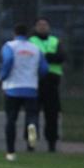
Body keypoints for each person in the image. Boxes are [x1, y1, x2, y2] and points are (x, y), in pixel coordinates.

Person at [0, 23, 48, 162]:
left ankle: (11, 152)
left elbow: (8, 60)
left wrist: (2, 76)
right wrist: (35, 77)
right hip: (31, 88)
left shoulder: (9, 46)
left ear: (14, 33)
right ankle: (31, 130)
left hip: (12, 88)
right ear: (27, 34)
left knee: (11, 119)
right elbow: (44, 68)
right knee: (32, 116)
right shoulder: (35, 48)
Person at [30, 17, 65, 152]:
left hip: (52, 82)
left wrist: (45, 56)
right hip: (36, 81)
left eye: (45, 24)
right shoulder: (31, 41)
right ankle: (31, 142)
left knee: (52, 114)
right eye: (40, 24)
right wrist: (49, 57)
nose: (42, 27)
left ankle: (52, 143)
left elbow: (61, 57)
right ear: (35, 27)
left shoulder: (55, 41)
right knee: (32, 114)